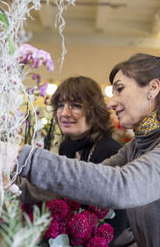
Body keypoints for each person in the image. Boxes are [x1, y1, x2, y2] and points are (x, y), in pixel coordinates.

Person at [0, 53, 160, 246]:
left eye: (119, 89)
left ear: (153, 88)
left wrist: (25, 157)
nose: (111, 102)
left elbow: (122, 187)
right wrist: (13, 186)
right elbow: (79, 186)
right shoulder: (135, 147)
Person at [51, 76, 129, 242]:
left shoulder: (109, 150)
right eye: (60, 105)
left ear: (94, 111)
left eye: (75, 106)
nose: (64, 113)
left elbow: (118, 222)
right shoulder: (66, 147)